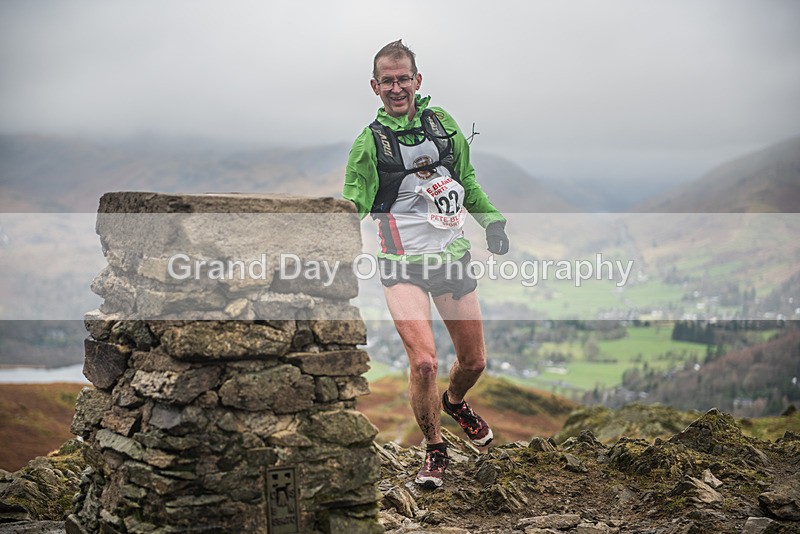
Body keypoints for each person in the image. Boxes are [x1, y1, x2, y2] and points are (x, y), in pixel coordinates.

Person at [342, 39, 509, 488]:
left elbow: (466, 179)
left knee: (473, 363)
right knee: (424, 364)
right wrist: (323, 234)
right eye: (387, 82)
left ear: (418, 80)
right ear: (374, 87)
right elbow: (354, 202)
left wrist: (492, 222)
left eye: (403, 79)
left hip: (451, 258)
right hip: (400, 263)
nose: (397, 88)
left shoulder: (443, 125)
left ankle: (455, 402)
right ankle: (435, 449)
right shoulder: (368, 144)